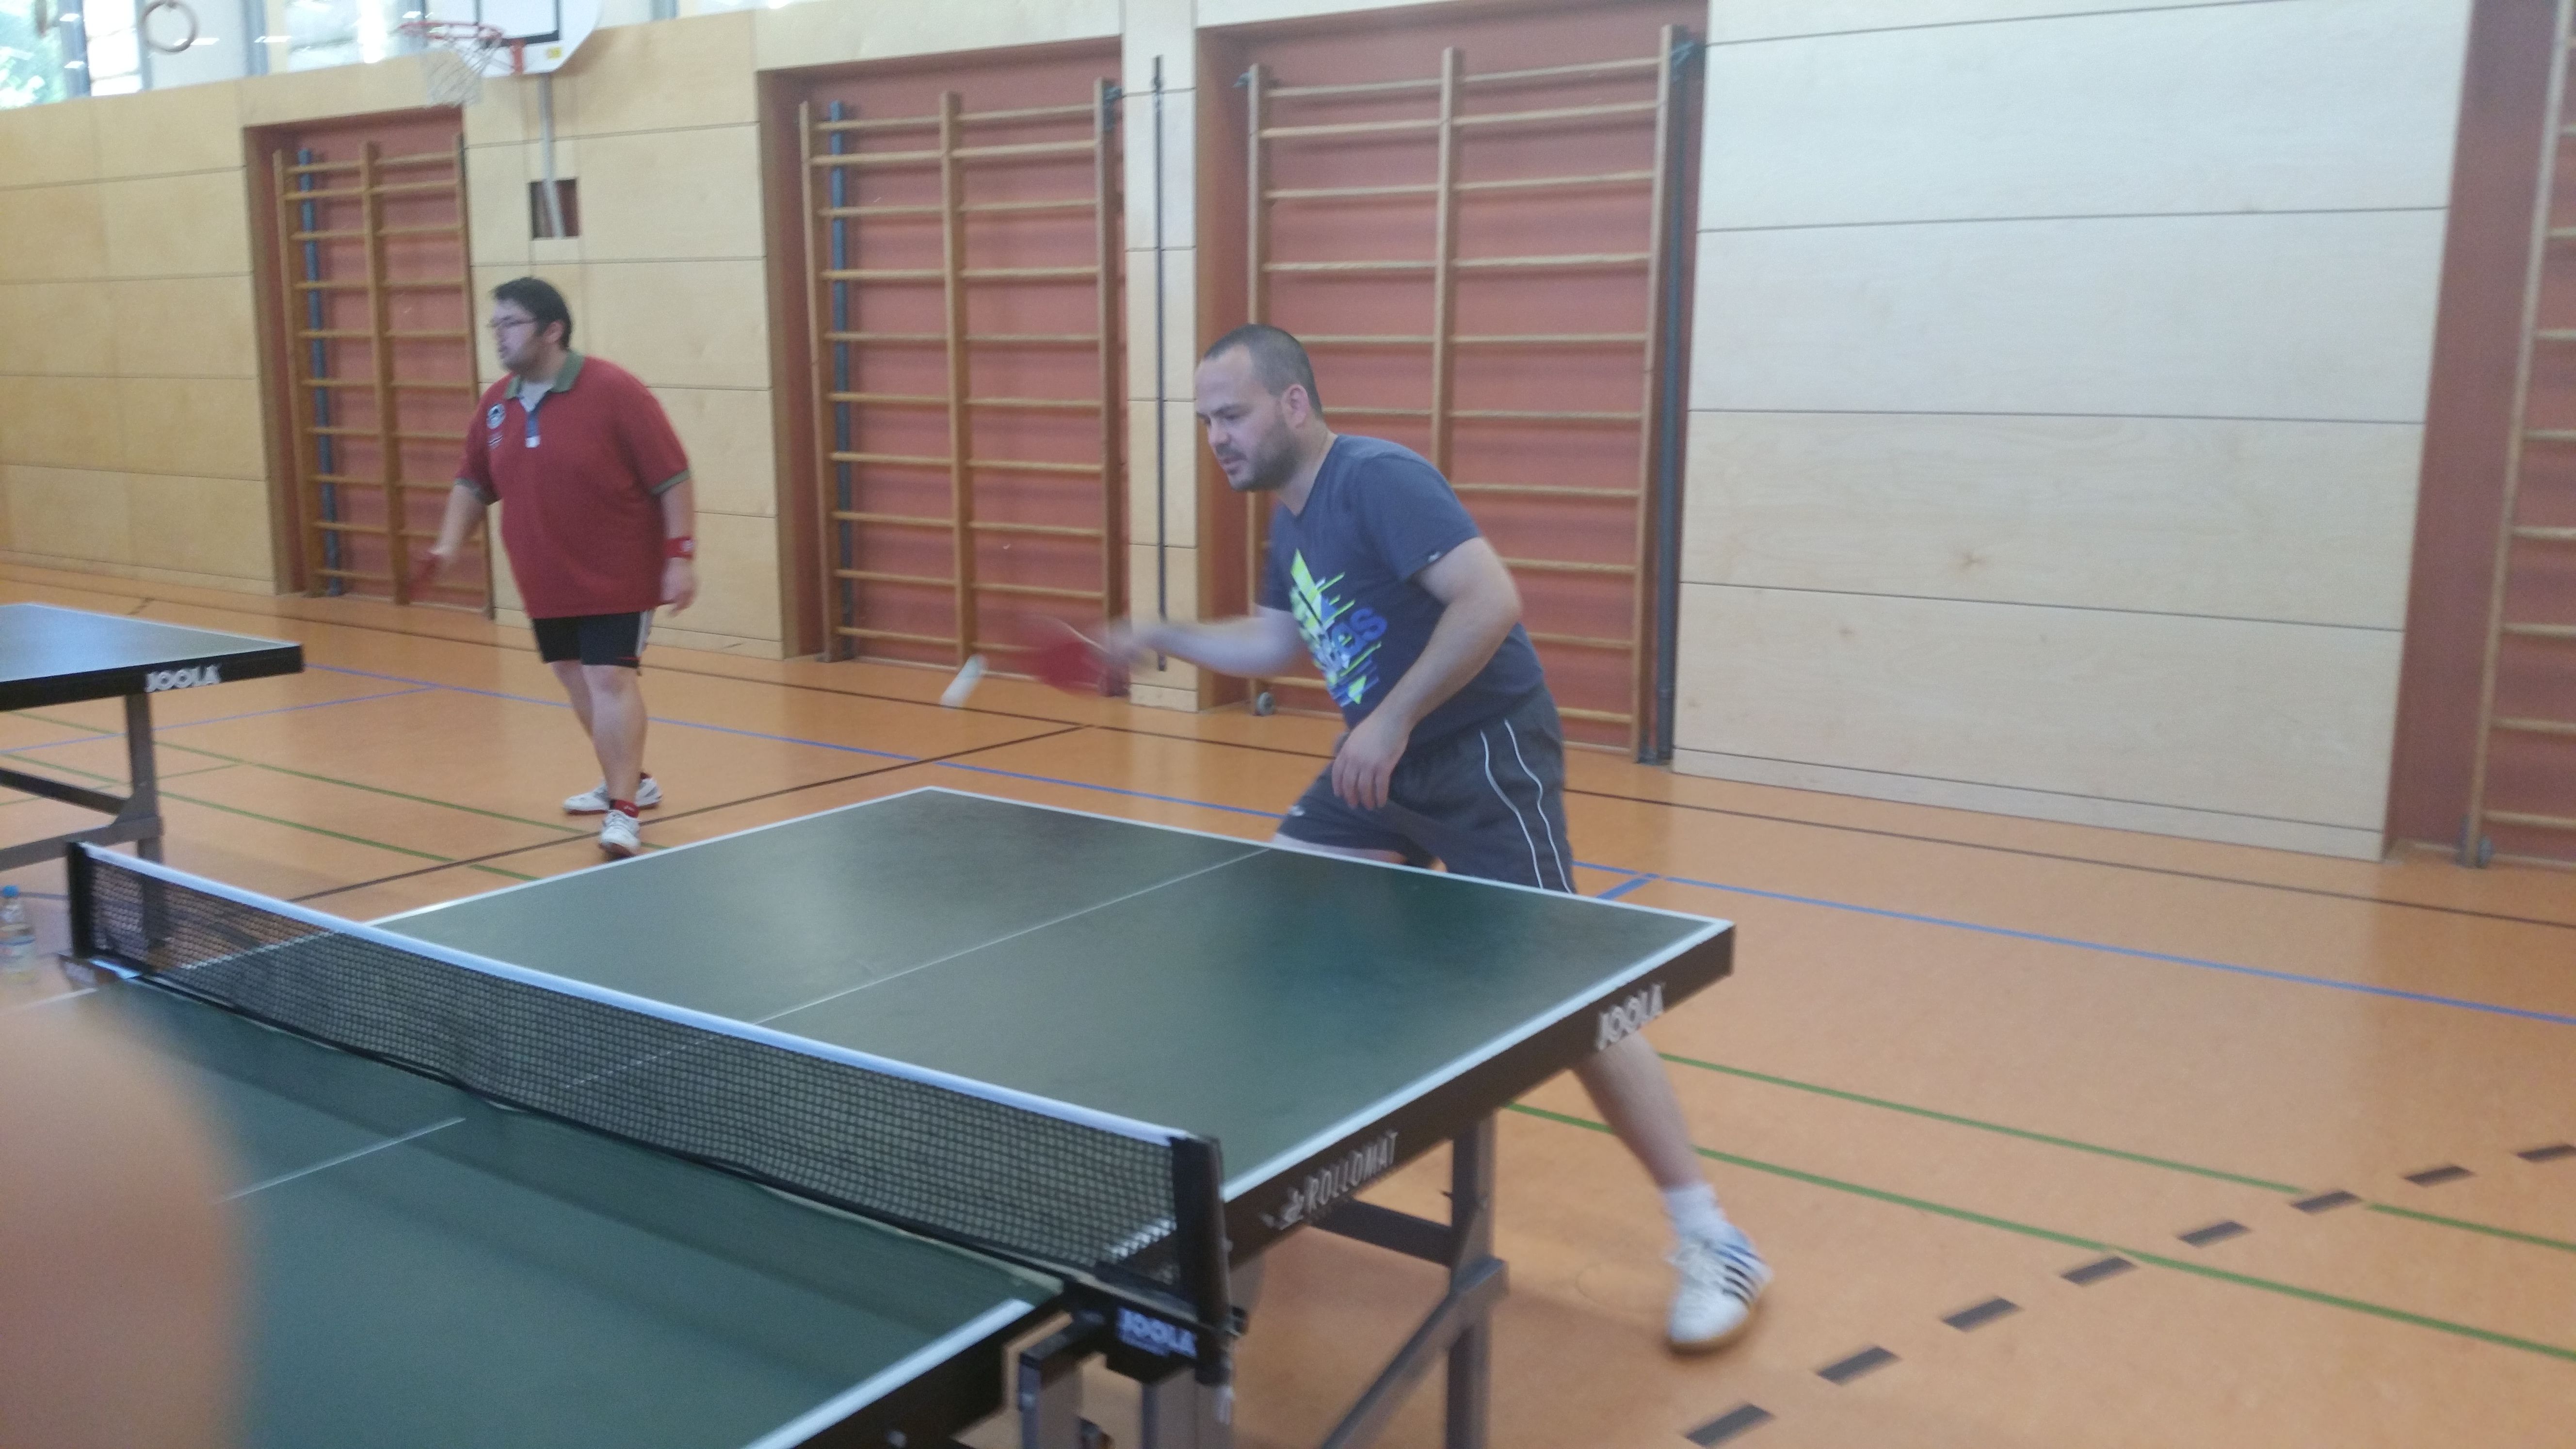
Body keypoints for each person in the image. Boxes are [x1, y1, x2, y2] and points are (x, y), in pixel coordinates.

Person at [1108, 324, 1770, 1351]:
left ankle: (1712, 1234)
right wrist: (1164, 635)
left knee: (1570, 998)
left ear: (1292, 403)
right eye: (1205, 422)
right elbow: (1277, 639)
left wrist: (1391, 718)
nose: (1216, 438)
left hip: (1479, 755)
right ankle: (1256, 1209)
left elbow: (1490, 599)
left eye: (1230, 414)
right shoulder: (1293, 516)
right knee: (1275, 930)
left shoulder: (1375, 478)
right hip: (1381, 769)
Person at [419, 278, 698, 858]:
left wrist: (680, 557)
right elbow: (473, 481)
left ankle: (623, 811)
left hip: (618, 571)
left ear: (552, 330)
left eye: (510, 323)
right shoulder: (497, 403)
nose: (498, 335)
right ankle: (633, 780)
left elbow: (672, 477)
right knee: (575, 677)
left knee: (608, 678)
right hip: (545, 576)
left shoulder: (615, 390)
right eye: (494, 325)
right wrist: (448, 545)